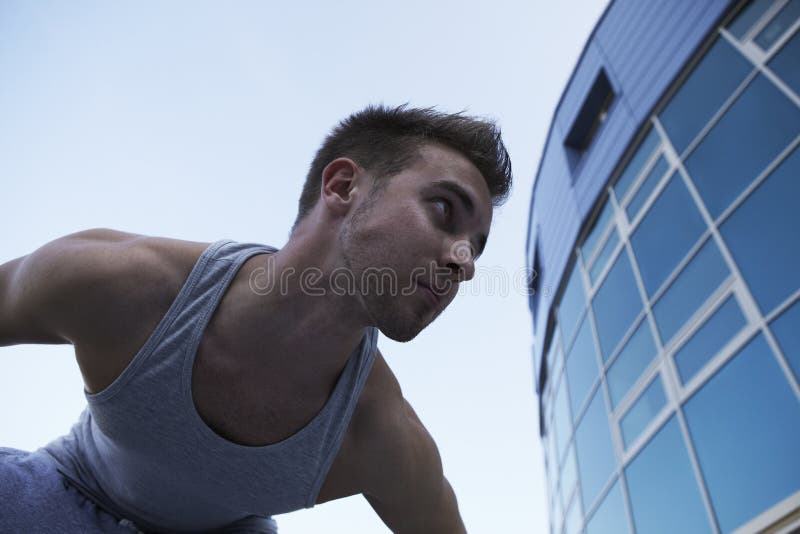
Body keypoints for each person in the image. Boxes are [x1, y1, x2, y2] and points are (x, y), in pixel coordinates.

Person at [0, 104, 512, 533]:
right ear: (341, 186)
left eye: (476, 249)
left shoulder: (379, 436)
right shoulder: (122, 285)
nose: (463, 263)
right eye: (445, 210)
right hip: (59, 495)